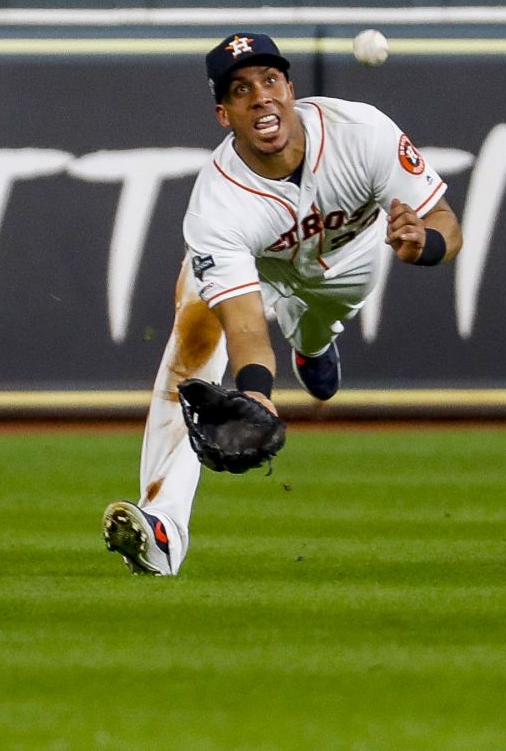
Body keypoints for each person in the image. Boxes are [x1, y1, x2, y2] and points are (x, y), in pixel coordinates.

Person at [103, 32, 461, 575]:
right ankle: (163, 530)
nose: (260, 96)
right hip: (260, 272)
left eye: (270, 80)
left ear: (291, 89)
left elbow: (447, 226)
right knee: (195, 340)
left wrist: (425, 245)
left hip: (349, 265)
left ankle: (314, 344)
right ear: (225, 115)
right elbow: (246, 329)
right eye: (241, 90)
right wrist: (256, 395)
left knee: (316, 329)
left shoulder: (360, 132)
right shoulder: (216, 206)